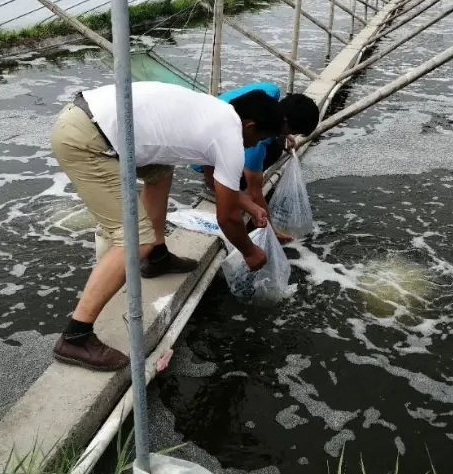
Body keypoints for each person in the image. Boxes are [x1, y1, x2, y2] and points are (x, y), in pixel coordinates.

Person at [50, 81, 284, 371]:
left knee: (160, 171)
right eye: (260, 138)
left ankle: (157, 258)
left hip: (98, 120)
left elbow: (215, 181)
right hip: (88, 140)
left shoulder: (221, 114)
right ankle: (75, 335)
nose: (255, 145)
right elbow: (227, 218)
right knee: (136, 240)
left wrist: (250, 205)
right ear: (249, 125)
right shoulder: (230, 137)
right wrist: (250, 252)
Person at [191, 82, 319, 242]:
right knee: (272, 150)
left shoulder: (270, 92)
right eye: (291, 131)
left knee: (275, 143)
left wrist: (285, 135)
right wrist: (271, 231)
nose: (291, 134)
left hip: (206, 124)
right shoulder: (256, 145)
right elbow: (254, 193)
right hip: (202, 157)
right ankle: (232, 180)